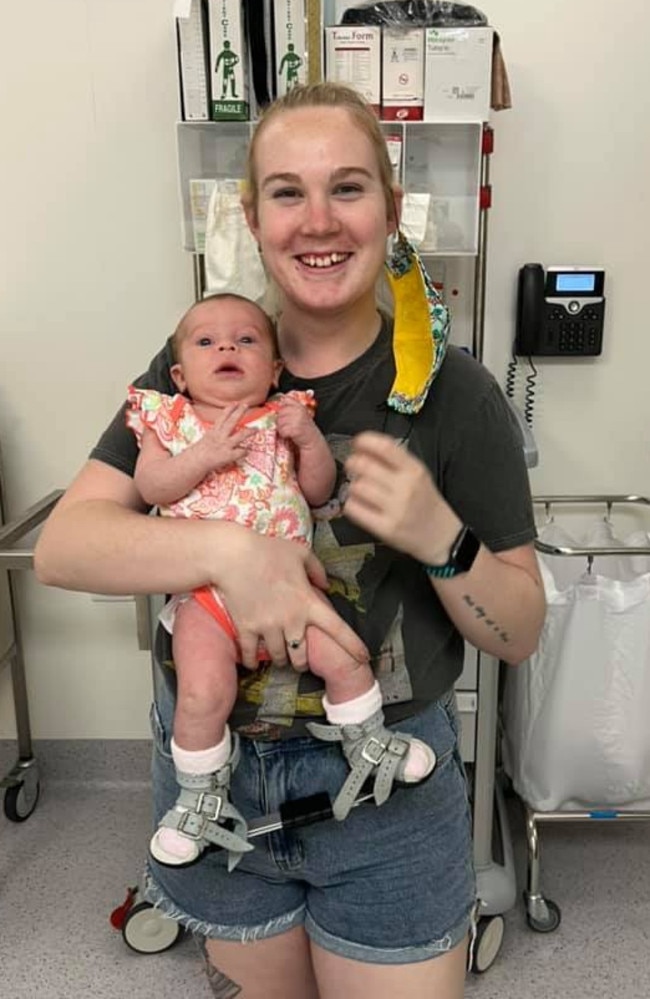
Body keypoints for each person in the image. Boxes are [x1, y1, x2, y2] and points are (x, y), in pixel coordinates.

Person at [35, 82, 546, 999]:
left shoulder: (453, 393)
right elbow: (66, 547)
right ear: (250, 214)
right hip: (220, 779)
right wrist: (234, 555)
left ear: (391, 209)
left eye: (348, 188)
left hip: (387, 788)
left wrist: (442, 536)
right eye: (286, 192)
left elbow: (516, 633)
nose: (319, 221)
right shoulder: (197, 363)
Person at [126, 292, 435, 867]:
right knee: (201, 693)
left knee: (347, 655)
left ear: (272, 369)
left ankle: (368, 742)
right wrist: (205, 453)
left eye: (246, 340)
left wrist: (310, 439)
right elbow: (153, 487)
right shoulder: (168, 420)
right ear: (178, 373)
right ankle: (200, 798)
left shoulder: (284, 416)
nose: (226, 348)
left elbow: (318, 492)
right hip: (204, 599)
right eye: (206, 342)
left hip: (294, 592)